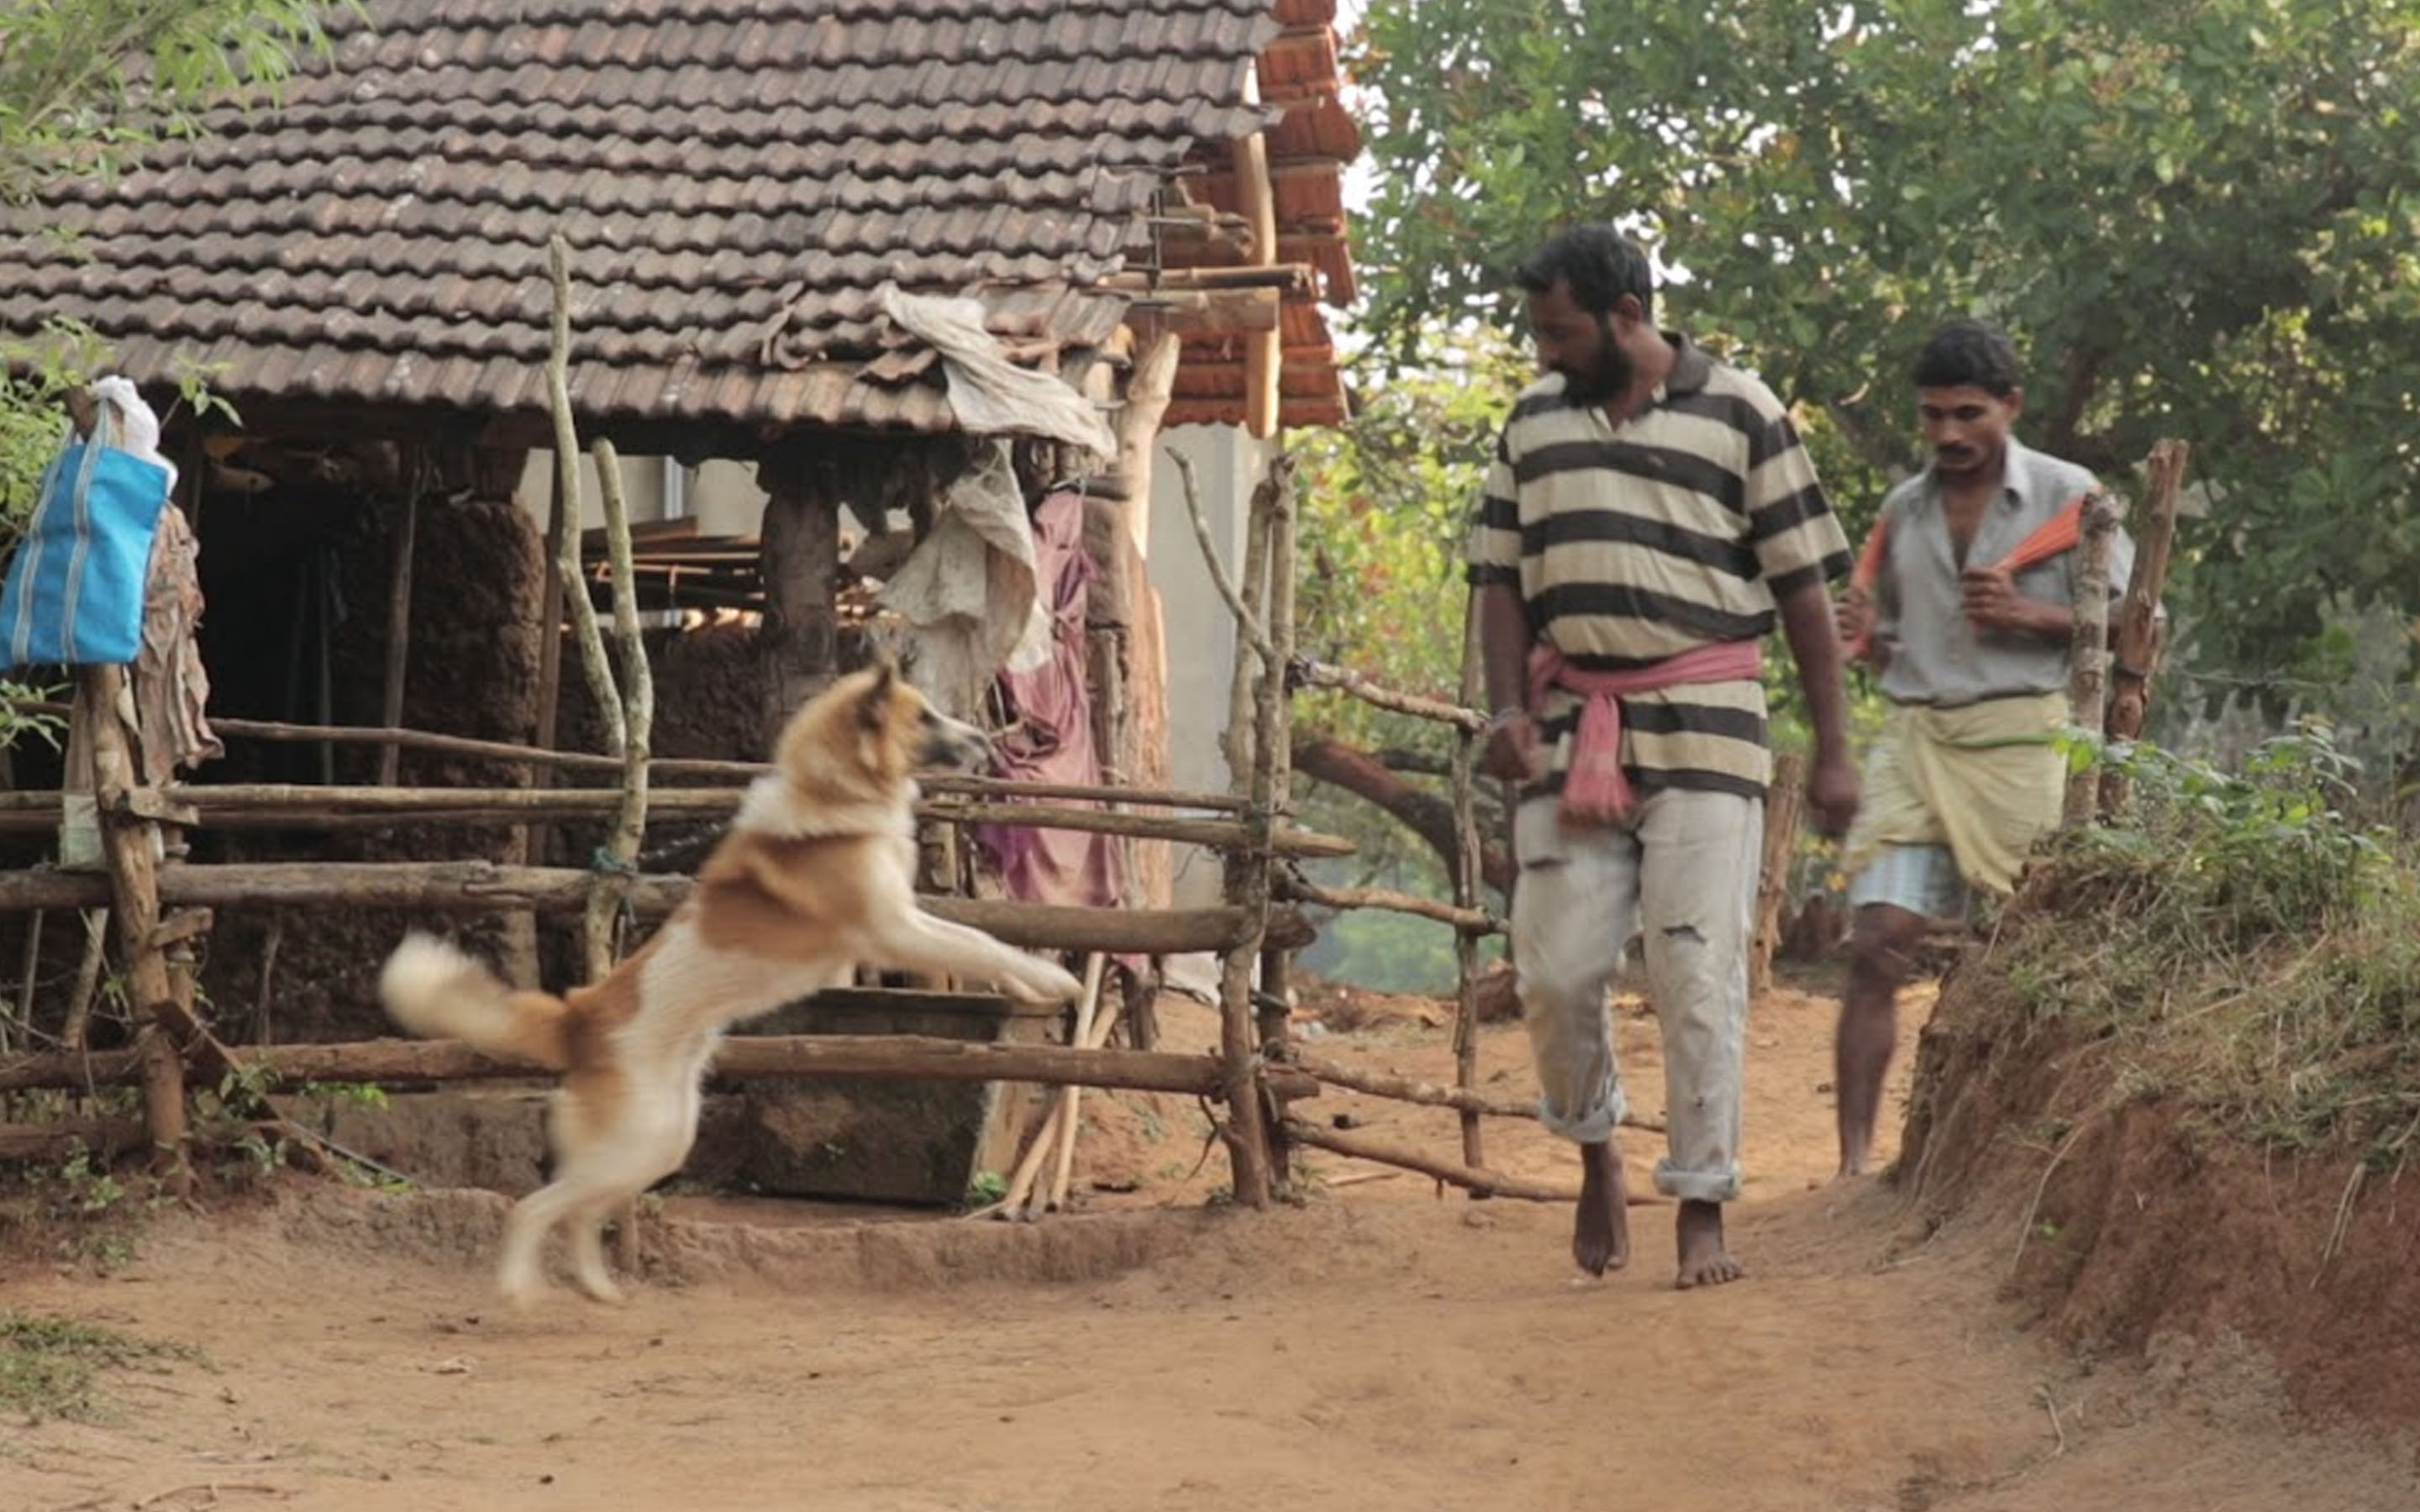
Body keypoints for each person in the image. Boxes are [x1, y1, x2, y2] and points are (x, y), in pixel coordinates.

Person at [1466, 224, 1860, 1289]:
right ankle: (1596, 1146)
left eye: (1560, 332)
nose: (1545, 352)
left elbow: (1804, 591)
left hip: (1709, 723)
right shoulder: (1533, 422)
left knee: (1696, 968)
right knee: (1555, 970)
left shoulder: (1744, 411)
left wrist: (1832, 750)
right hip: (1569, 723)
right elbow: (1498, 579)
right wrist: (1506, 709)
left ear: (1627, 316)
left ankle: (1701, 1204)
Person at [1830, 318, 2138, 1179]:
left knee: (2026, 950)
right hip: (1917, 739)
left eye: (1968, 414)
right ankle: (1851, 1169)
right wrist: (1863, 635)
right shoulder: (1903, 509)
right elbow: (1893, 645)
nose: (1949, 433)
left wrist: (2031, 615)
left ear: (2011, 405)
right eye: (1933, 415)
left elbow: (2139, 622)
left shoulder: (2075, 497)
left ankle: (2012, 1166)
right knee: (1876, 943)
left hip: (2022, 740)